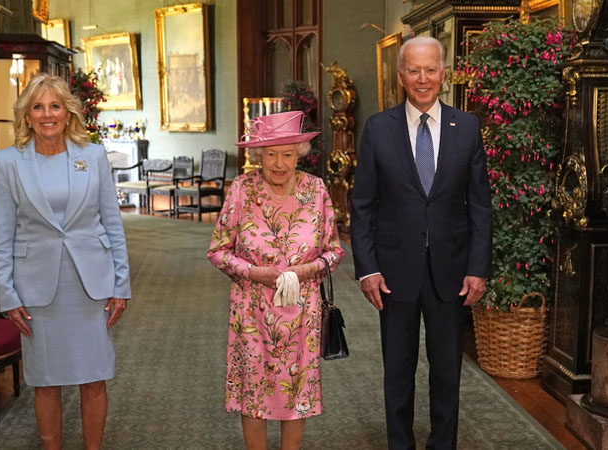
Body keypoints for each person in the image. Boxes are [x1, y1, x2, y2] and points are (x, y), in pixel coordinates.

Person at [350, 36, 493, 450]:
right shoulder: (378, 128)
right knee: (398, 370)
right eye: (414, 70)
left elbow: (480, 205)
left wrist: (478, 267)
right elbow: (361, 205)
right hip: (394, 273)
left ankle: (442, 444)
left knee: (447, 370)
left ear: (444, 74)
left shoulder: (467, 127)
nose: (423, 78)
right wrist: (368, 268)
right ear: (401, 76)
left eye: (431, 69)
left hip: (452, 270)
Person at [0, 73, 131, 450]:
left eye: (55, 105)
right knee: (45, 379)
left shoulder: (94, 156)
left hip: (91, 284)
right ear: (26, 116)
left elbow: (112, 223)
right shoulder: (7, 162)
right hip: (37, 287)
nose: (47, 114)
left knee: (94, 376)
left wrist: (121, 284)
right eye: (38, 107)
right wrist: (7, 294)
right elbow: (3, 233)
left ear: (68, 113)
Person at [207, 111, 344, 450]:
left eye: (287, 154)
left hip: (303, 313)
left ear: (299, 153)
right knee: (253, 389)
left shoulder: (317, 190)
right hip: (251, 312)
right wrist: (254, 273)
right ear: (258, 156)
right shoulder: (241, 189)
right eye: (271, 154)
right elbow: (217, 251)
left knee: (296, 390)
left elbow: (334, 252)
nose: (279, 163)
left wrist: (306, 270)